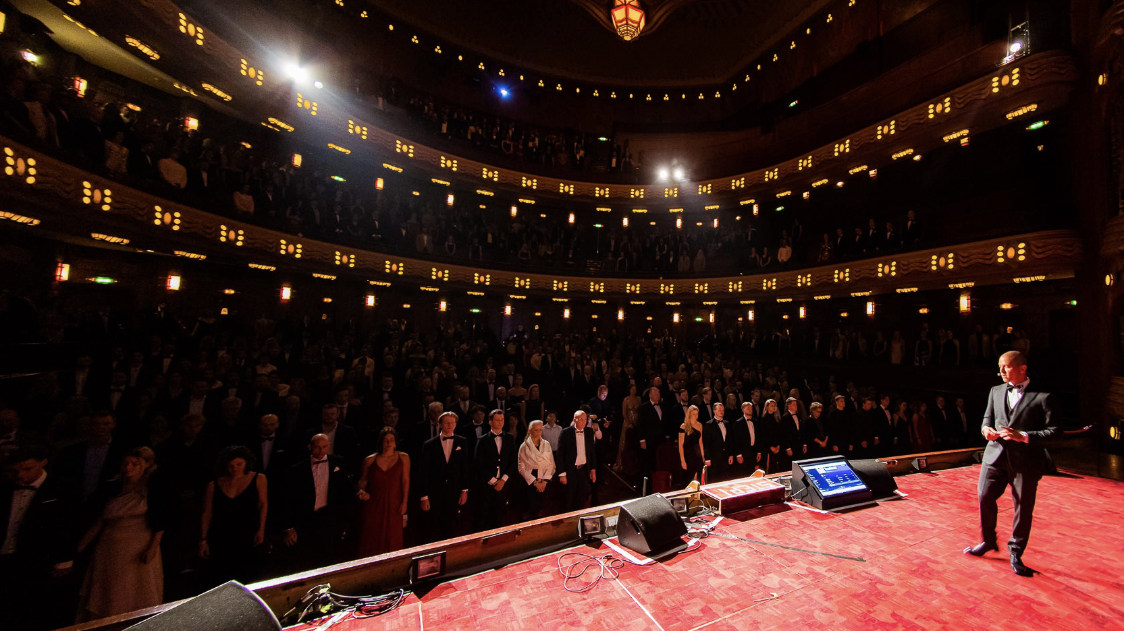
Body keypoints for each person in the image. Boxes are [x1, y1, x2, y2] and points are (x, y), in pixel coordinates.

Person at [965, 351, 1057, 577]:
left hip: (1025, 462)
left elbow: (1055, 433)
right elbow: (987, 420)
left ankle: (1015, 551)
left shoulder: (1043, 396)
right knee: (984, 496)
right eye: (999, 367)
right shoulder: (995, 391)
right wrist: (986, 430)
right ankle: (988, 541)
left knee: (1022, 507)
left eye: (1005, 367)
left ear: (1022, 368)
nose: (1001, 372)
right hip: (994, 457)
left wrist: (1023, 435)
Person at [76, 447, 169, 622]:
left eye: (135, 464)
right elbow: (100, 519)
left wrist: (153, 547)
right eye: (126, 463)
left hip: (139, 543)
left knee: (138, 589)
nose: (129, 468)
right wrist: (81, 546)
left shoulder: (152, 489)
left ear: (146, 465)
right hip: (111, 546)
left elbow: (160, 520)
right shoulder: (112, 487)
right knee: (110, 590)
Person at [1, 446, 77, 631]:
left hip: (38, 559)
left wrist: (64, 559)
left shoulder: (60, 487)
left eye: (27, 469)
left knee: (35, 609)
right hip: (5, 556)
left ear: (43, 462)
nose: (20, 475)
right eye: (15, 470)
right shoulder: (6, 486)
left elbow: (69, 524)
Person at [281, 434, 351, 572]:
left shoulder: (339, 463)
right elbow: (288, 499)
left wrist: (344, 520)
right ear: (310, 447)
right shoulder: (297, 469)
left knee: (329, 560)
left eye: (324, 447)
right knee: (305, 560)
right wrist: (288, 527)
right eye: (317, 447)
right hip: (305, 520)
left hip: (329, 519)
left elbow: (345, 493)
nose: (321, 451)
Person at [198, 446, 268, 585]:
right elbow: (207, 512)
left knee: (250, 575)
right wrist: (203, 539)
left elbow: (263, 504)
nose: (235, 469)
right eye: (231, 466)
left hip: (248, 533)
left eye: (238, 464)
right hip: (222, 536)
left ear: (246, 463)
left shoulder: (258, 478)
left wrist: (261, 529)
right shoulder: (214, 485)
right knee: (223, 577)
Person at [356, 427, 410, 556]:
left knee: (393, 538)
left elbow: (405, 480)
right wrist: (361, 491)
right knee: (372, 537)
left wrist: (405, 501)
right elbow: (362, 481)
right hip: (374, 503)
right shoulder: (370, 460)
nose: (389, 443)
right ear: (381, 442)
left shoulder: (403, 458)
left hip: (394, 503)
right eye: (386, 440)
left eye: (391, 440)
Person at [418, 412, 469, 543]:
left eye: (453, 422)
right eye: (447, 422)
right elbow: (423, 472)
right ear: (440, 425)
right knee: (433, 528)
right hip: (434, 492)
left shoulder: (462, 442)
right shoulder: (429, 444)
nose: (450, 425)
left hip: (454, 491)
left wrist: (464, 491)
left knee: (452, 526)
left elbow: (464, 467)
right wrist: (424, 496)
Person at [473, 409, 517, 530]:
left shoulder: (509, 438)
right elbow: (478, 463)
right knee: (484, 514)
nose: (500, 422)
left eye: (502, 420)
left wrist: (503, 480)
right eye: (497, 420)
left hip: (503, 484)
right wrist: (493, 481)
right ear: (490, 422)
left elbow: (513, 461)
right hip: (487, 485)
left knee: (500, 514)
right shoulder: (482, 440)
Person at [557, 411, 597, 511]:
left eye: (585, 419)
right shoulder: (565, 432)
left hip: (584, 470)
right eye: (581, 419)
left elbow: (592, 452)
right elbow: (560, 454)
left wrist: (593, 469)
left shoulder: (589, 432)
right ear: (574, 420)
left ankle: (578, 520)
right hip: (571, 471)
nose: (584, 422)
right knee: (569, 498)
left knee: (581, 498)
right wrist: (562, 474)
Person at [517, 420, 555, 519]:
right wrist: (535, 482)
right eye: (535, 430)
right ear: (530, 431)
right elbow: (521, 467)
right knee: (530, 509)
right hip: (530, 481)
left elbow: (551, 463)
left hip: (544, 480)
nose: (538, 432)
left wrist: (544, 481)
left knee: (542, 509)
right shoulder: (524, 446)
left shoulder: (546, 444)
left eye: (540, 430)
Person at [677, 405, 705, 486]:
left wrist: (703, 455)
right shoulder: (683, 426)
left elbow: (700, 442)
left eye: (697, 414)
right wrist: (682, 460)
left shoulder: (700, 425)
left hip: (697, 455)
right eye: (693, 414)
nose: (696, 416)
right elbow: (680, 445)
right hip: (688, 456)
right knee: (689, 479)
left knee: (698, 478)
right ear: (689, 414)